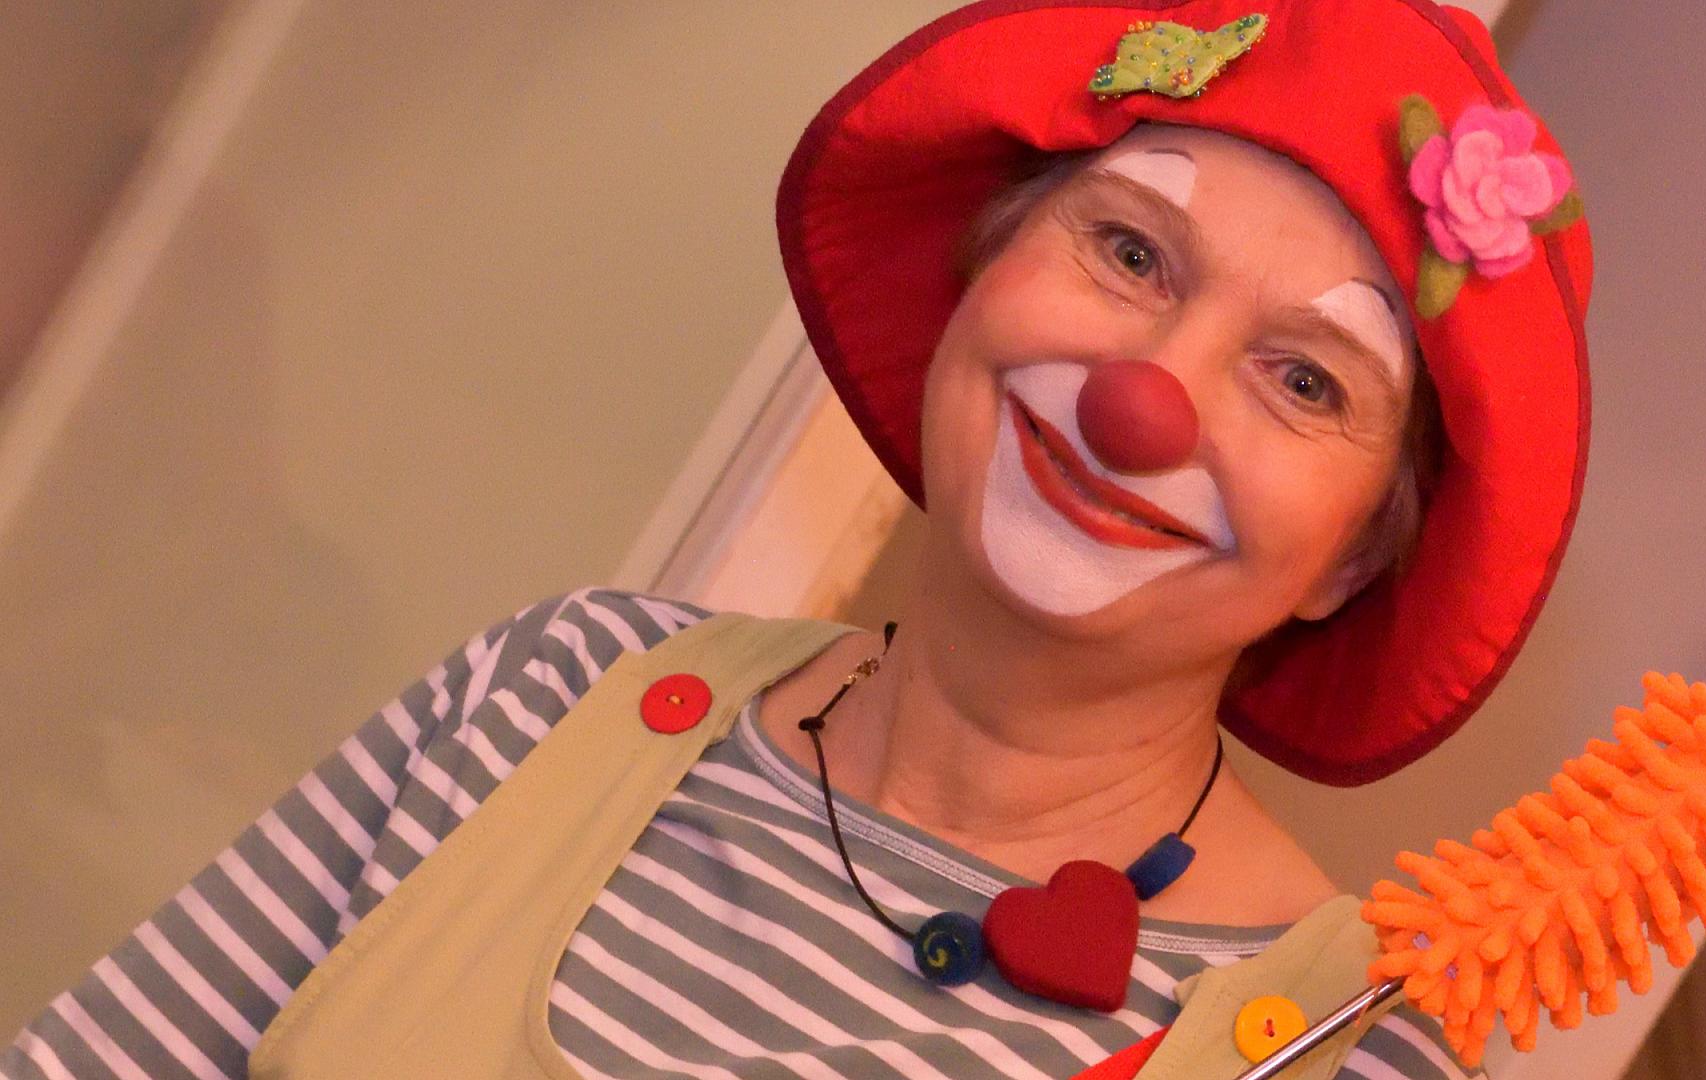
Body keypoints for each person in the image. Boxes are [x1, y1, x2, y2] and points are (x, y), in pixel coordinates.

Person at [4, 1, 1590, 1077]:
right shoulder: (556, 688)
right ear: (980, 273)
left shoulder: (1338, 1049)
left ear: (1352, 561)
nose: (1145, 401)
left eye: (1305, 381)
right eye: (1128, 252)